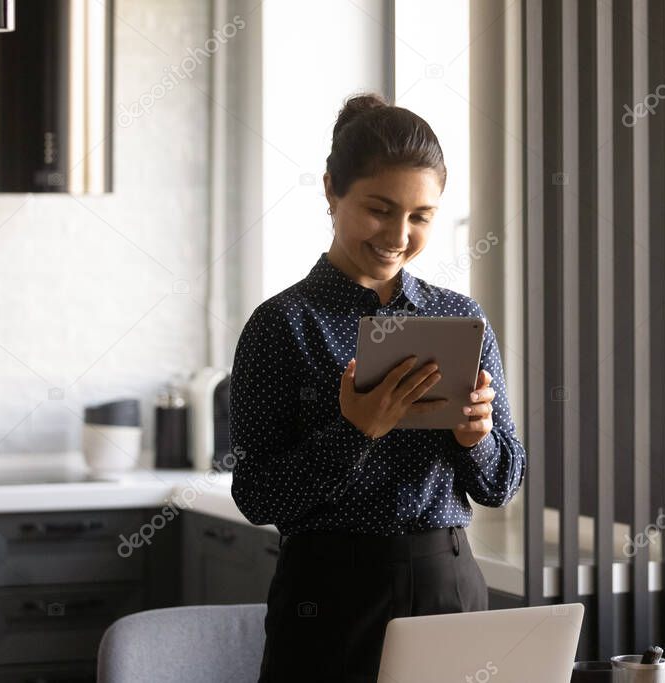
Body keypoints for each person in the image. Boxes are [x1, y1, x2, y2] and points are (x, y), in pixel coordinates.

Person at [229, 92, 527, 683]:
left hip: (447, 584)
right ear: (331, 192)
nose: (398, 234)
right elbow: (257, 496)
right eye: (379, 209)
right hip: (327, 597)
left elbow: (501, 484)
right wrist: (354, 431)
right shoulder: (281, 325)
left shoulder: (457, 318)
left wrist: (477, 438)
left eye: (420, 216)